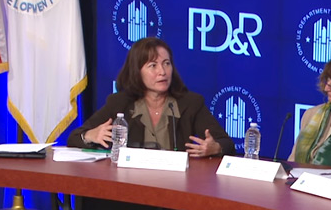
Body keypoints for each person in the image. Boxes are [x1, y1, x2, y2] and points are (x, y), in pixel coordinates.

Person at [68, 37, 235, 157]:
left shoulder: (190, 103)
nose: (162, 72)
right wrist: (90, 135)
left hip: (178, 190)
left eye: (166, 64)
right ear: (137, 71)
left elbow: (227, 143)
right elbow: (74, 138)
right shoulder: (119, 103)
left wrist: (215, 148)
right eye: (153, 66)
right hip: (131, 189)